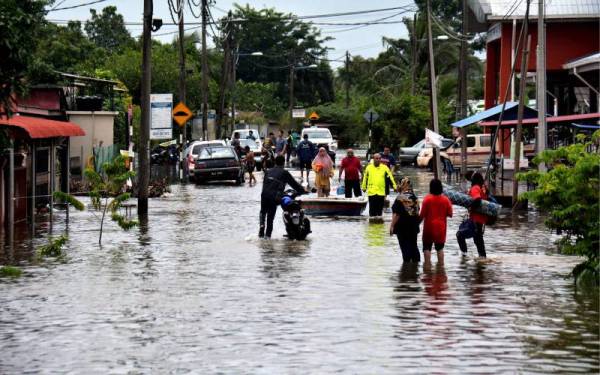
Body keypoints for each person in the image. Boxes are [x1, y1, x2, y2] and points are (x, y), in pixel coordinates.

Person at [259, 155, 306, 238]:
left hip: (264, 195)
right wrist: (303, 191)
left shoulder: (268, 171)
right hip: (274, 197)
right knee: (270, 218)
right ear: (283, 163)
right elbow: (294, 184)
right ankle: (267, 237)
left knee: (263, 212)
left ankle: (262, 226)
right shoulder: (284, 173)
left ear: (275, 162)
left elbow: (265, 185)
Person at [420, 179, 453, 265]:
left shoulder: (427, 199)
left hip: (428, 227)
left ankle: (427, 268)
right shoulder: (446, 200)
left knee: (427, 248)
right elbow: (450, 214)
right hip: (441, 228)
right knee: (440, 248)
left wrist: (415, 224)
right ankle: (441, 268)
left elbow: (422, 215)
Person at [389, 177, 421, 263]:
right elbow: (418, 212)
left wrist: (391, 226)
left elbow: (396, 214)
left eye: (400, 184)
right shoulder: (415, 197)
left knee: (404, 247)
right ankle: (416, 268)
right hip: (414, 227)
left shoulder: (400, 198)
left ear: (403, 185)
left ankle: (406, 269)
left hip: (402, 227)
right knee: (414, 246)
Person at [457, 172, 487, 258]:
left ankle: (464, 257)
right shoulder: (483, 188)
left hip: (475, 219)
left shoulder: (475, 188)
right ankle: (482, 262)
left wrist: (471, 208)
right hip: (481, 220)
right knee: (479, 241)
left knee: (459, 235)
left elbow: (477, 200)